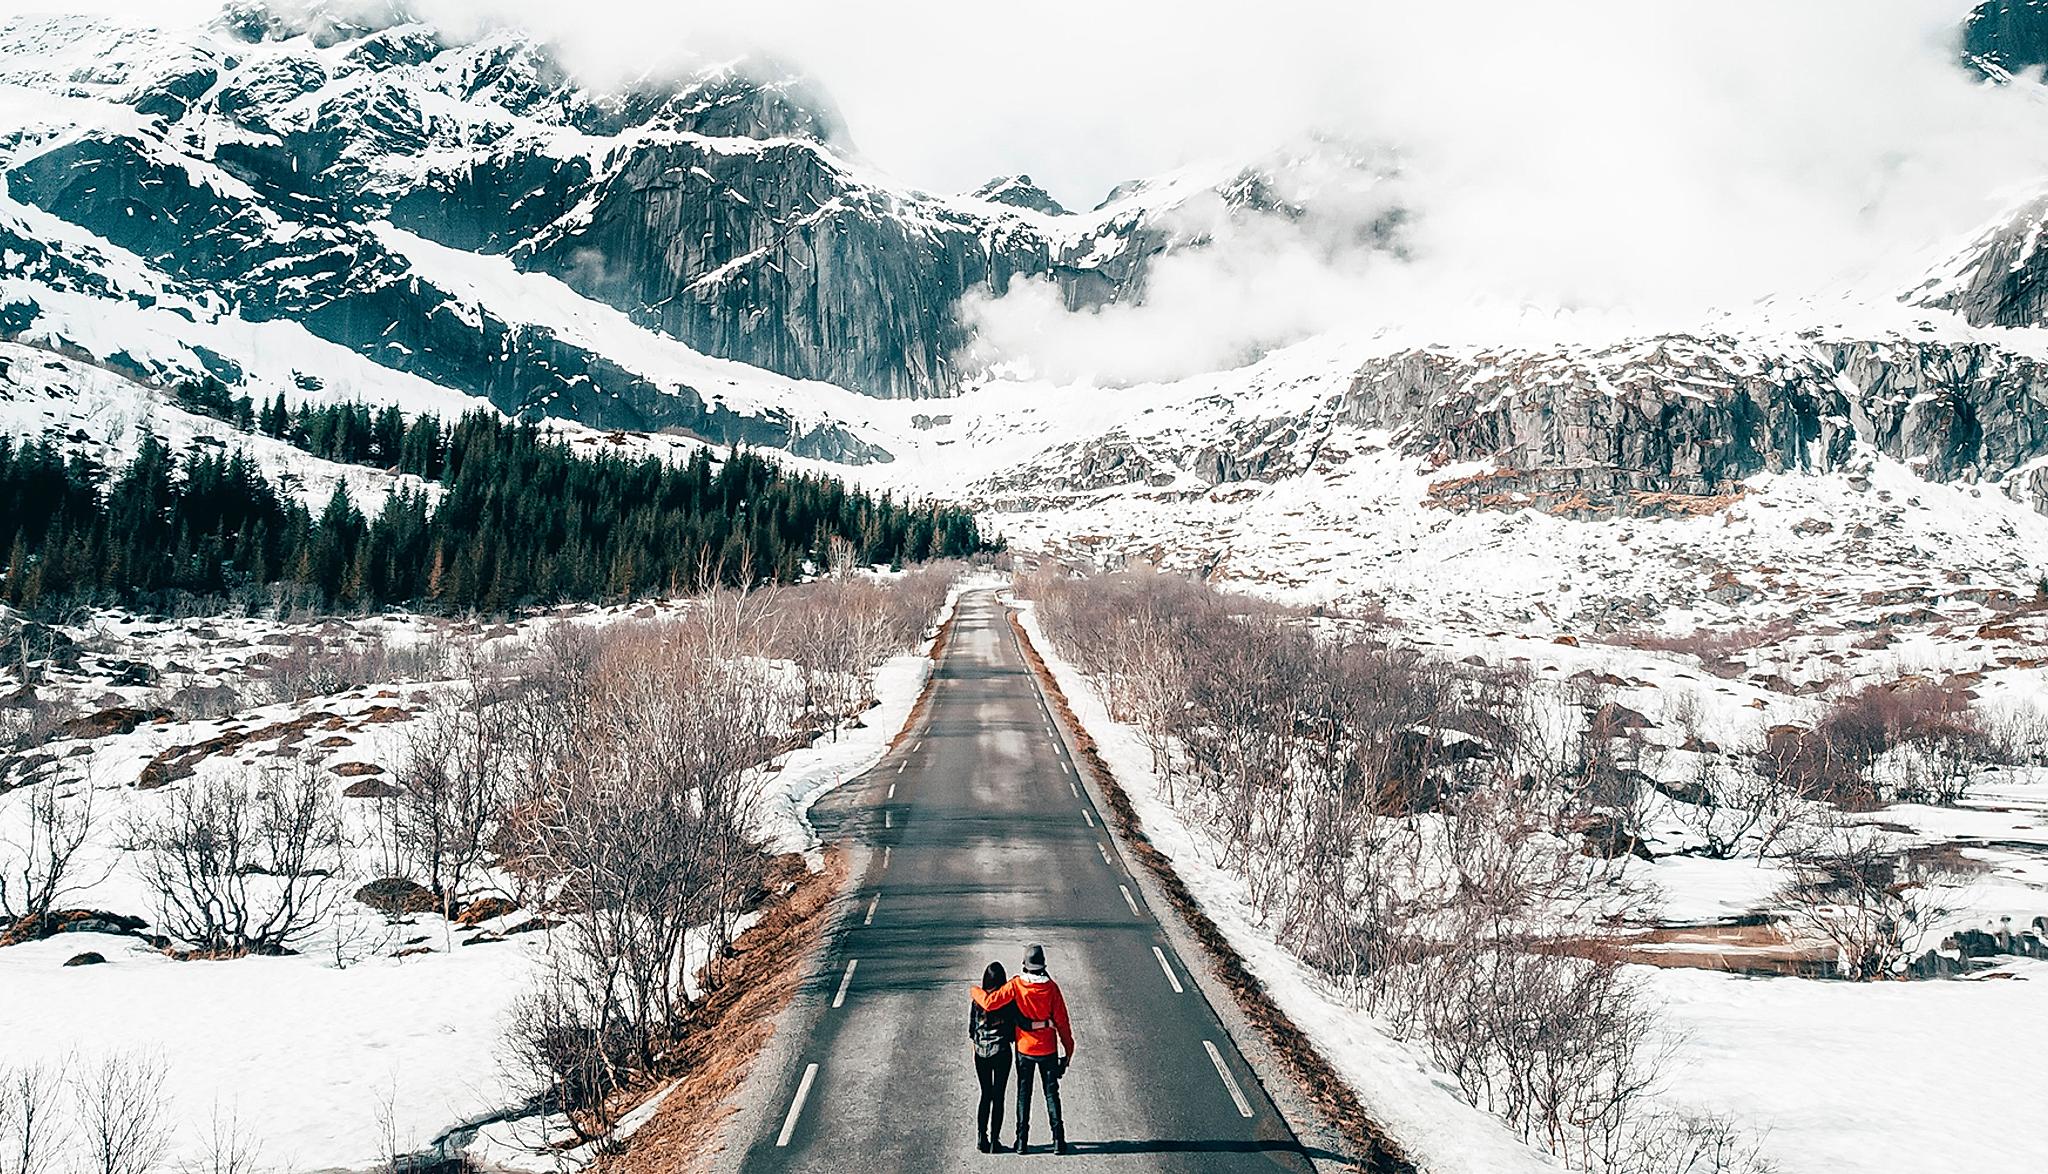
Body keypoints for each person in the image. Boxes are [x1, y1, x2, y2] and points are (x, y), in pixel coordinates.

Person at [977, 943, 1074, 1156]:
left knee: (1023, 1094)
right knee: (1051, 1094)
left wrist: (974, 990)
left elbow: (991, 1002)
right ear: (1043, 965)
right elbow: (1063, 1023)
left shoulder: (1016, 985)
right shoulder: (1052, 989)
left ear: (1025, 964)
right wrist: (1068, 1051)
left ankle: (1021, 1142)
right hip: (1047, 1049)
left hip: (1024, 1049)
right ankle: (1058, 1139)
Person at [969, 960, 1022, 1153]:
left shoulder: (978, 1000)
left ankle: (981, 1137)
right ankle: (994, 1141)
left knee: (985, 1094)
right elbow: (1011, 1030)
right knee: (999, 1096)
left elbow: (971, 1029)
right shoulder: (1007, 1001)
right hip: (1001, 1052)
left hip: (981, 1052)